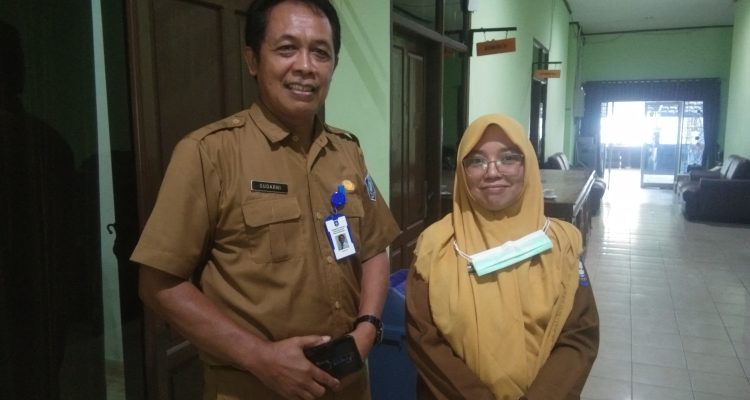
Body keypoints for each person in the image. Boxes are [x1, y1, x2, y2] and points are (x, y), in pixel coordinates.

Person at [131, 1, 400, 399]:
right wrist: (260, 357)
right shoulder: (209, 153)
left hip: (348, 385)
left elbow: (375, 249)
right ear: (252, 60)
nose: (305, 66)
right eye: (287, 48)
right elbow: (158, 283)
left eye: (320, 52)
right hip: (252, 388)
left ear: (333, 66)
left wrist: (367, 329)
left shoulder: (347, 151)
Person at [405, 114, 599, 400]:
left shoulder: (561, 244)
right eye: (477, 161)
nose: (492, 172)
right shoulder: (436, 246)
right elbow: (424, 339)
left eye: (508, 158)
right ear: (462, 171)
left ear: (528, 164)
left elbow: (579, 335)